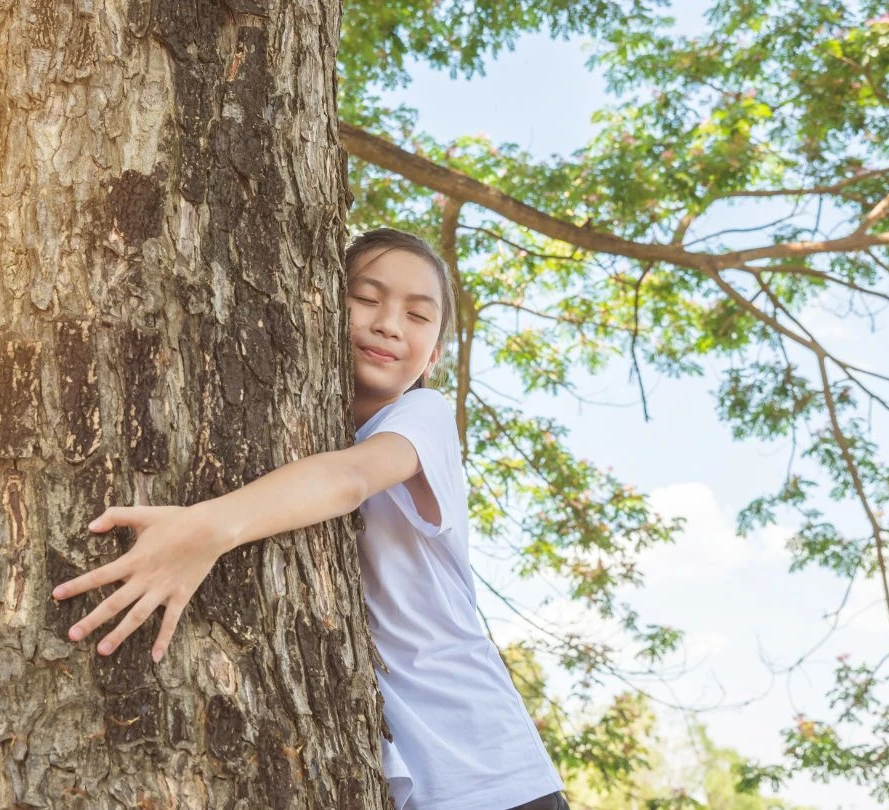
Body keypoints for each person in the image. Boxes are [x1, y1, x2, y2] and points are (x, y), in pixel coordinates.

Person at [49, 227, 570, 810]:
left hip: (487, 772)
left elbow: (348, 481)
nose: (389, 324)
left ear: (437, 352)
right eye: (367, 298)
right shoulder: (307, 430)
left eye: (418, 316)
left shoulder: (424, 416)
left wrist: (204, 529)